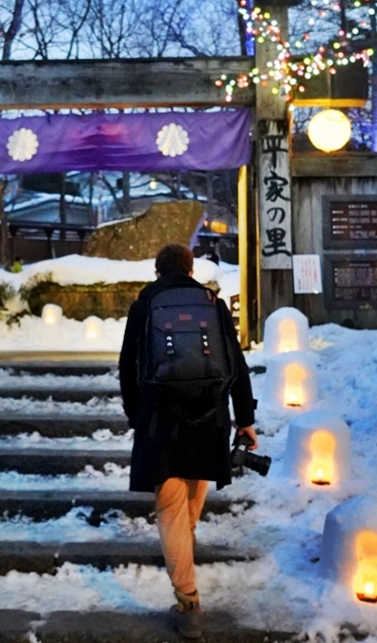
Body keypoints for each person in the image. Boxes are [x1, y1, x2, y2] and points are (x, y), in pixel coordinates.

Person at [119, 243, 258, 640]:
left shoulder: (144, 306)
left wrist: (137, 415)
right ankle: (186, 570)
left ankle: (188, 599)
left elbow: (128, 365)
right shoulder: (211, 304)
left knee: (171, 509)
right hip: (210, 417)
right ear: (191, 269)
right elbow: (236, 363)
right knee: (189, 507)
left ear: (157, 270)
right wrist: (245, 419)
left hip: (161, 419)